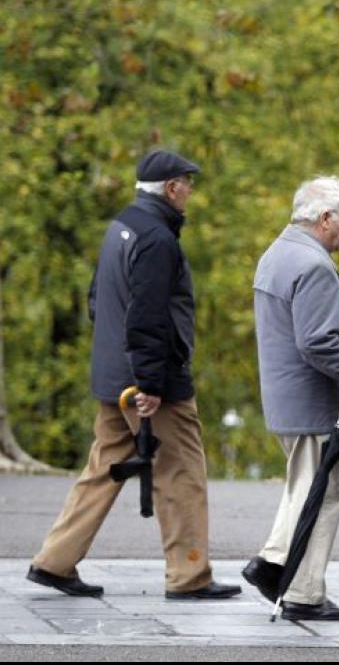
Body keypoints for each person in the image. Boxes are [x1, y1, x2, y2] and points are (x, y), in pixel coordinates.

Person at [27, 149, 241, 601]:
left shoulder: (120, 226)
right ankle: (189, 576)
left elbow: (96, 300)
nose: (190, 192)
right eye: (187, 183)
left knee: (104, 468)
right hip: (148, 382)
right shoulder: (158, 240)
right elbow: (147, 316)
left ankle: (55, 561)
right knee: (181, 471)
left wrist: (120, 365)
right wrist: (150, 383)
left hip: (113, 375)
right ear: (170, 188)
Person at [243, 176, 339, 622]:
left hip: (288, 399)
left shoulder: (277, 253)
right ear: (325, 218)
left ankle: (273, 563)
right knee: (324, 491)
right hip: (314, 402)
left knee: (305, 487)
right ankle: (301, 590)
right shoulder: (312, 264)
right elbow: (318, 340)